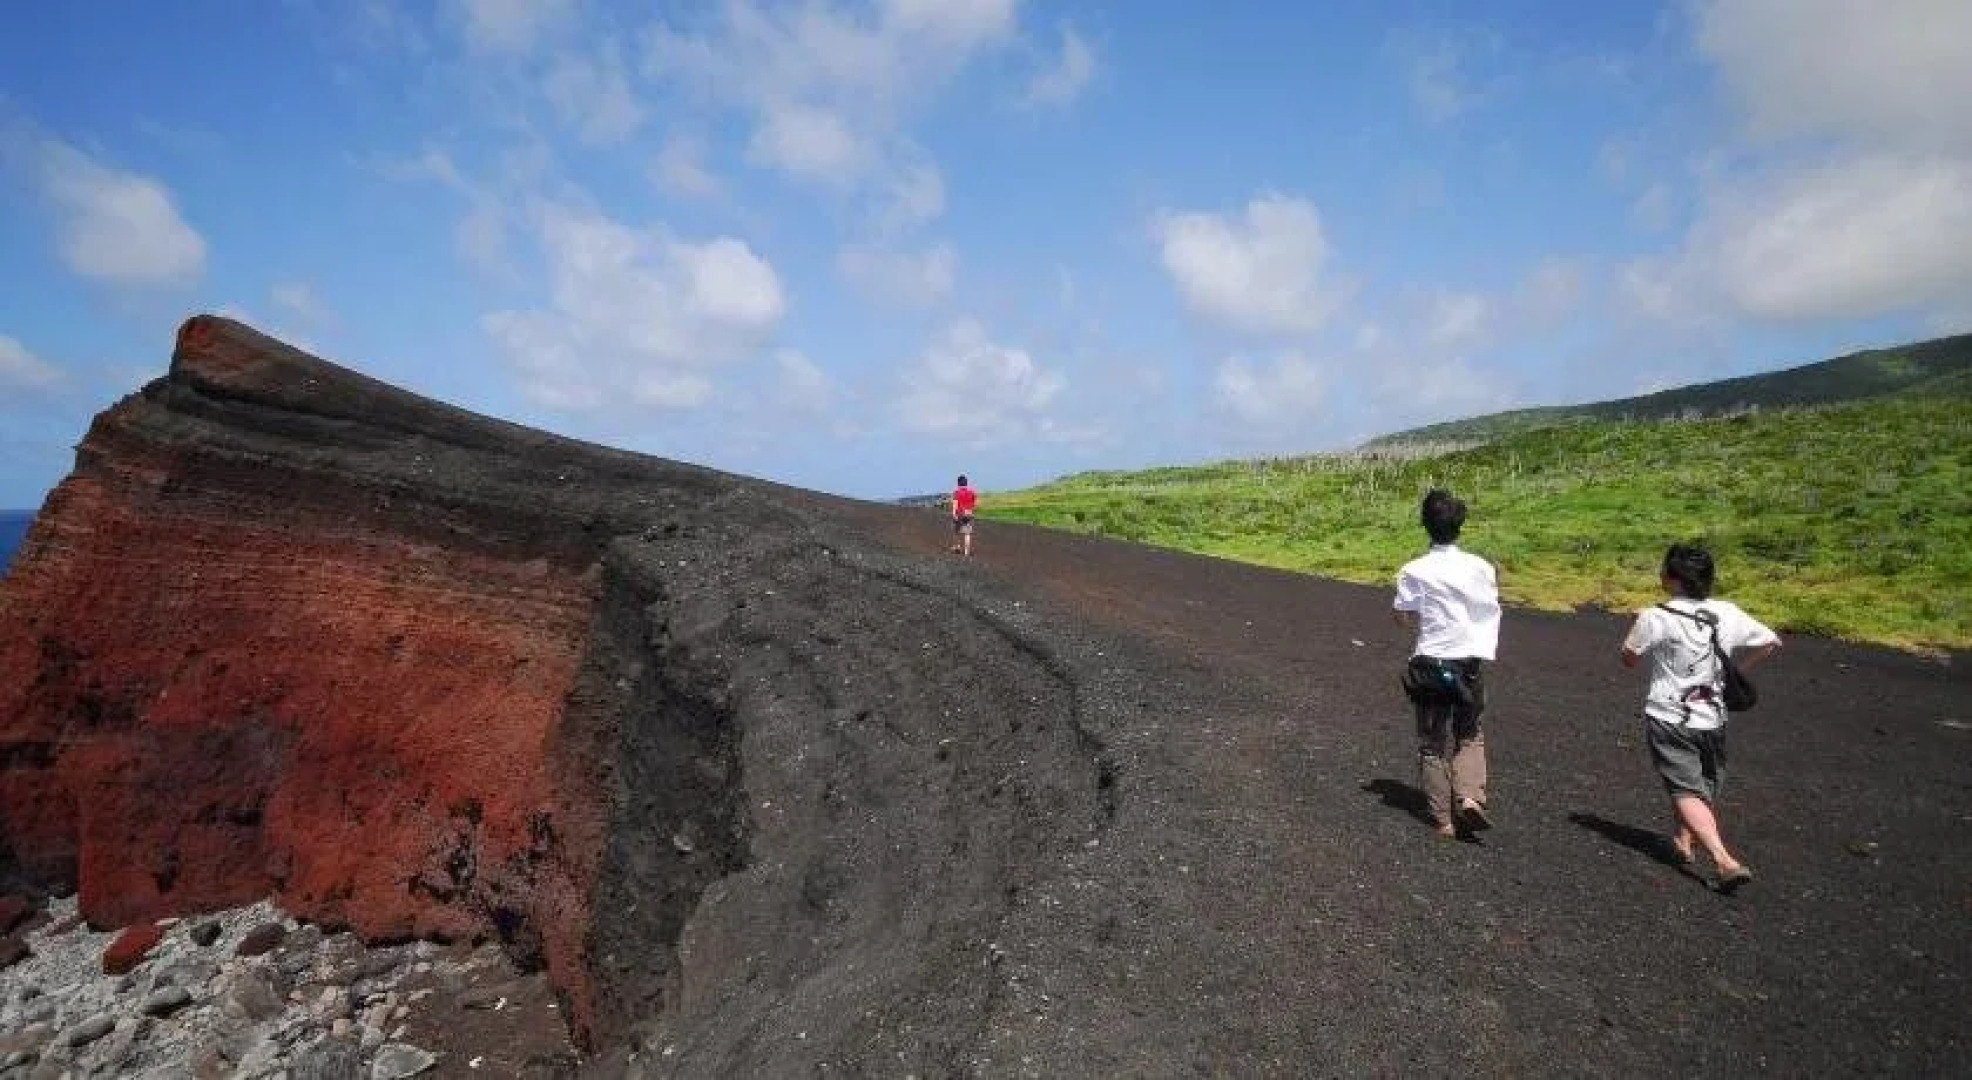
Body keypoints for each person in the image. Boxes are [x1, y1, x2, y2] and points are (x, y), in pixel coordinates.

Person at [1619, 543, 1781, 893]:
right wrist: (1731, 674)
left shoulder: (1656, 615)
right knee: (1704, 782)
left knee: (1685, 787)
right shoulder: (1728, 612)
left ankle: (1723, 859)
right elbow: (1769, 641)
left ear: (1671, 578)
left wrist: (1638, 626)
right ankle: (1683, 840)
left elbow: (1629, 657)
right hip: (1713, 716)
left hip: (1669, 713)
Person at [1392, 488, 1502, 839]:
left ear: (1425, 524)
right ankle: (1470, 797)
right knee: (1470, 733)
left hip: (1430, 661)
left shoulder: (1413, 570)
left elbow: (1403, 616)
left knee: (1431, 741)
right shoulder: (1482, 567)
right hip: (1469, 662)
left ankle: (1443, 819)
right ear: (1460, 525)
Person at [950, 474, 978, 557]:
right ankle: (966, 552)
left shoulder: (956, 493)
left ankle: (958, 547)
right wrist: (970, 510)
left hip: (960, 514)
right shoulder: (972, 492)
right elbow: (974, 503)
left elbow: (955, 504)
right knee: (967, 533)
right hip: (968, 514)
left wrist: (954, 514)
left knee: (957, 531)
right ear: (966, 483)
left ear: (958, 483)